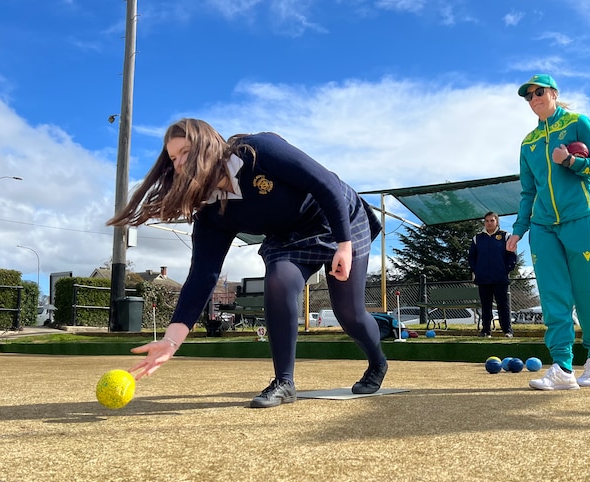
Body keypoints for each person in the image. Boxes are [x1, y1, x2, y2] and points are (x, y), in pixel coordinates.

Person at [106, 118, 388, 408]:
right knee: (278, 280)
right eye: (173, 158)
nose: (178, 164)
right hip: (288, 236)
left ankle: (377, 362)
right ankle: (284, 382)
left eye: (185, 152)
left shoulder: (257, 151)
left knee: (349, 314)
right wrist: (171, 340)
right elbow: (202, 274)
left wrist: (344, 244)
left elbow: (325, 183)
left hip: (337, 218)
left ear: (209, 146)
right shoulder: (211, 211)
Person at [505, 74, 590, 391]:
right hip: (542, 226)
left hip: (582, 219)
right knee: (553, 297)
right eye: (528, 96)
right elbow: (528, 192)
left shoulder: (578, 122)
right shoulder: (529, 143)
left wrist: (572, 160)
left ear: (553, 93)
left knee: (586, 294)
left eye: (539, 92)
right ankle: (563, 367)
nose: (534, 98)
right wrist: (518, 229)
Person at [469, 212, 518, 338]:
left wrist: (505, 270)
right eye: (487, 221)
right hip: (483, 279)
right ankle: (486, 331)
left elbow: (512, 256)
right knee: (486, 306)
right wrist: (477, 270)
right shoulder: (477, 238)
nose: (489, 223)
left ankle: (507, 331)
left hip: (500, 278)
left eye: (492, 220)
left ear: (497, 221)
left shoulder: (505, 236)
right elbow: (471, 258)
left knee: (503, 305)